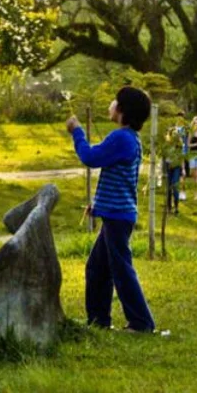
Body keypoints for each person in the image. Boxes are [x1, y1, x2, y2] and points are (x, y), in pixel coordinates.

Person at [67, 86, 155, 333]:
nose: (111, 104)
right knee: (96, 268)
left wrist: (77, 132)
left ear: (123, 110)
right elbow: (118, 180)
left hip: (118, 217)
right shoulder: (129, 139)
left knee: (121, 270)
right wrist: (99, 206)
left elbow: (91, 157)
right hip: (116, 215)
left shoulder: (121, 138)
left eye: (115, 101)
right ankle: (98, 322)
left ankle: (141, 323)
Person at [172, 112, 189, 202]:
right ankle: (175, 191)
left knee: (183, 174)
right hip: (174, 154)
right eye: (178, 118)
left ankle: (183, 191)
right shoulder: (173, 129)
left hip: (183, 153)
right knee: (175, 174)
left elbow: (187, 142)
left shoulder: (185, 129)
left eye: (181, 118)